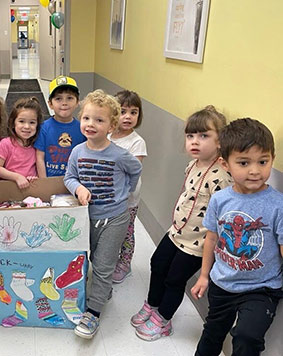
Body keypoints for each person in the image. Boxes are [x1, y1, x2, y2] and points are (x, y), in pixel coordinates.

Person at [131, 106, 233, 341]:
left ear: (220, 141)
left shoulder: (221, 176)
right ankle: (153, 304)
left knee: (175, 279)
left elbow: (222, 217)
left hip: (197, 242)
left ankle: (163, 319)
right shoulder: (193, 164)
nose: (195, 141)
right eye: (190, 136)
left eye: (204, 136)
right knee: (157, 264)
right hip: (176, 232)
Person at [191, 118, 283, 356]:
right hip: (223, 282)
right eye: (244, 162)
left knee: (247, 336)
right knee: (212, 333)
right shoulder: (220, 200)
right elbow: (211, 238)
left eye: (263, 161)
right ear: (226, 164)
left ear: (272, 158)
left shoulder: (277, 205)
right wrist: (203, 276)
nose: (255, 170)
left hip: (261, 288)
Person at [64, 89, 142, 338]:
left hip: (115, 218)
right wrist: (78, 188)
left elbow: (136, 170)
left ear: (112, 125)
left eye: (99, 120)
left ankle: (93, 312)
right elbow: (69, 177)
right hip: (86, 217)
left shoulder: (120, 154)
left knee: (104, 265)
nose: (91, 124)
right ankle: (101, 288)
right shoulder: (77, 151)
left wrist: (125, 194)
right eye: (87, 118)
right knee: (90, 258)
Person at [109, 89, 147, 283]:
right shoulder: (106, 135)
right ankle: (109, 259)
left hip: (127, 198)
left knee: (126, 231)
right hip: (107, 196)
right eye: (123, 111)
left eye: (133, 112)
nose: (128, 117)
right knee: (109, 230)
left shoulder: (137, 142)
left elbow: (134, 169)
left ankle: (125, 262)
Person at [35, 75, 86, 177]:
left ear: (77, 102)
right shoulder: (44, 128)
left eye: (69, 98)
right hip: (50, 181)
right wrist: (44, 182)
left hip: (75, 182)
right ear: (50, 104)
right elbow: (39, 157)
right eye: (58, 99)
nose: (64, 103)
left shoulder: (82, 129)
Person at [0, 96, 42, 189]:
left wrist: (33, 178)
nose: (27, 126)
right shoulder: (6, 143)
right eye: (21, 121)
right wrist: (17, 177)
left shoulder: (37, 144)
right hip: (10, 189)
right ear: (13, 123)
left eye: (32, 122)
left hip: (31, 189)